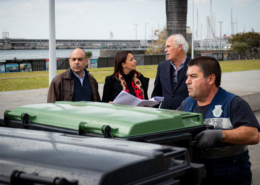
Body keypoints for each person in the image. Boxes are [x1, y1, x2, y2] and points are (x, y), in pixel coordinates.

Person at [177, 56, 260, 185]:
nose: (187, 81)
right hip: (199, 175)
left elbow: (253, 135)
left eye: (193, 76)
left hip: (230, 176)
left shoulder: (234, 103)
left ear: (210, 79)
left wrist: (220, 135)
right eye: (187, 76)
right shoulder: (186, 104)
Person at [151, 34, 191, 110]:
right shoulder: (162, 66)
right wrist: (151, 112)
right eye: (165, 47)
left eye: (168, 46)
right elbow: (157, 93)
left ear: (179, 47)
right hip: (165, 116)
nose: (165, 50)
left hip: (186, 115)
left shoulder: (195, 66)